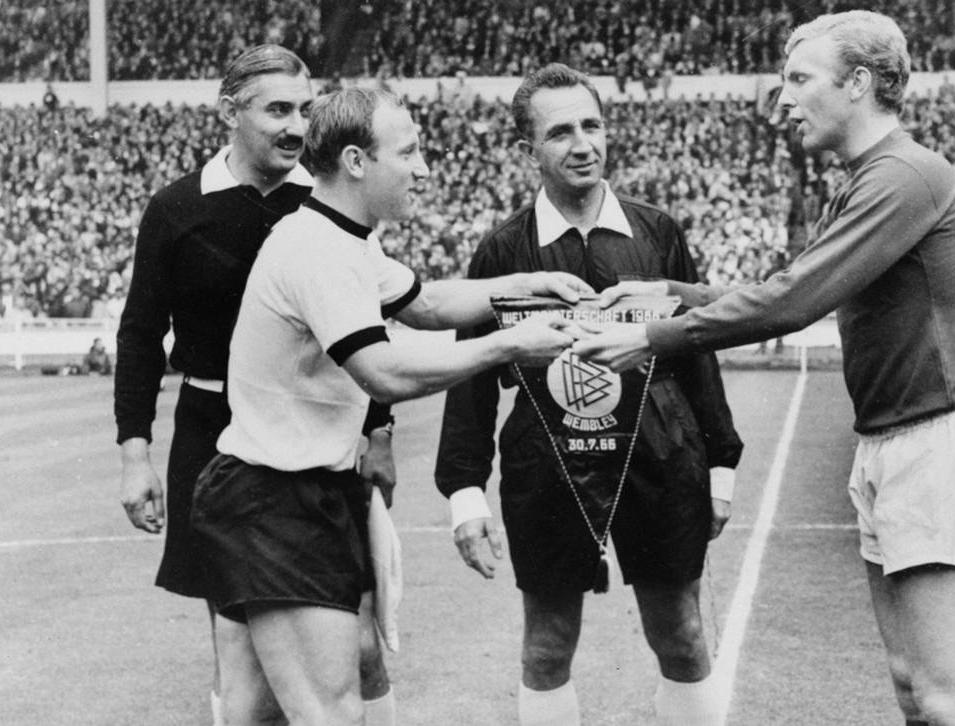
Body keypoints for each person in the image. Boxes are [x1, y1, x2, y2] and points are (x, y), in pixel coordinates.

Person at [574, 11, 955, 726]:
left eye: (798, 79)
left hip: (940, 448)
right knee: (914, 688)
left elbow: (793, 301)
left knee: (953, 703)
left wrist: (657, 333)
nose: (781, 99)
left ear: (860, 84)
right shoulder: (866, 179)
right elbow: (800, 284)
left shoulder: (904, 175)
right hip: (895, 443)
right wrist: (679, 294)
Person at [191, 85, 589, 726]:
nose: (424, 169)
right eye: (408, 152)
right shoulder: (316, 248)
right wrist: (510, 344)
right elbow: (383, 371)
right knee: (332, 712)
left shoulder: (344, 238)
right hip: (277, 500)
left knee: (255, 713)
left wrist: (526, 285)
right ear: (355, 161)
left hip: (276, 494)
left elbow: (427, 305)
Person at [434, 63, 744, 726]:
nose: (583, 144)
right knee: (547, 647)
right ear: (528, 152)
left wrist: (721, 462)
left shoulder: (657, 233)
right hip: (544, 462)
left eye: (592, 125)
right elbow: (471, 376)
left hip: (661, 454)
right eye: (561, 132)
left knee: (682, 635)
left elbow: (697, 351)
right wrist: (463, 492)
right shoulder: (502, 250)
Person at [114, 44, 401, 725]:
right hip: (214, 436)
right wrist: (135, 454)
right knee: (240, 649)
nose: (296, 127)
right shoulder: (178, 208)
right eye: (277, 110)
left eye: (305, 109)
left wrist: (380, 429)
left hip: (323, 438)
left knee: (361, 642)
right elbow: (139, 333)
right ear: (229, 112)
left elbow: (373, 319)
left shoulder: (330, 201)